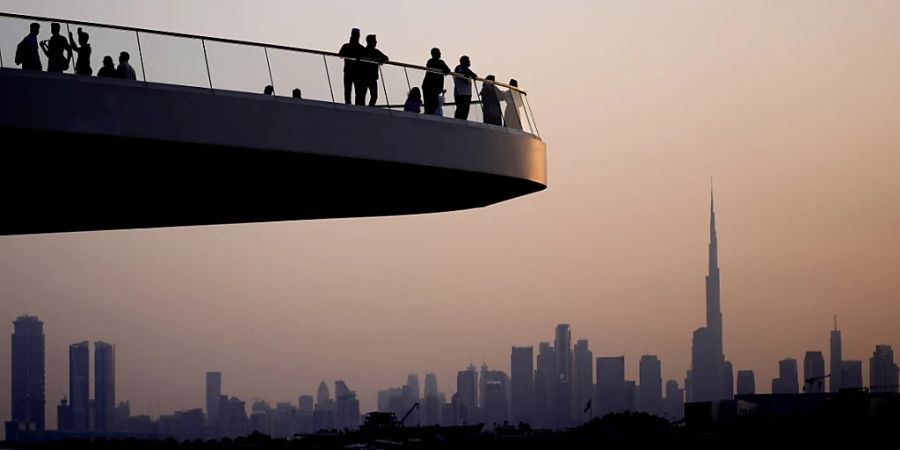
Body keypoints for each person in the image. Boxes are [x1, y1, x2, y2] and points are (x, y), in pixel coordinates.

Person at [357, 34, 388, 106]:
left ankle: (365, 108)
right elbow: (386, 58)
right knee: (372, 95)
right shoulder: (373, 52)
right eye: (375, 41)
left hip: (366, 76)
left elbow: (386, 58)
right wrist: (380, 60)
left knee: (363, 95)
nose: (376, 42)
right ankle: (368, 108)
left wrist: (380, 60)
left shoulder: (364, 51)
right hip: (369, 77)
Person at [338, 28, 364, 104]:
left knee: (354, 90)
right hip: (352, 71)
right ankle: (352, 104)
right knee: (350, 90)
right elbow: (340, 54)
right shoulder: (360, 48)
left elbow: (340, 54)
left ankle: (351, 104)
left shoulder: (348, 46)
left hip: (354, 71)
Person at [422, 48, 451, 115]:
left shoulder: (430, 61)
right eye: (439, 52)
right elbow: (447, 70)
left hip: (427, 85)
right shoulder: (439, 62)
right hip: (432, 87)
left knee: (428, 104)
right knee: (433, 104)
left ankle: (428, 115)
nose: (440, 54)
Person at [453, 55, 477, 120]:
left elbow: (473, 75)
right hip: (460, 93)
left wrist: (472, 75)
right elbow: (463, 75)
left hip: (467, 93)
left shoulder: (467, 69)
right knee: (460, 109)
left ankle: (463, 121)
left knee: (465, 110)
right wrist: (468, 75)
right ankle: (457, 122)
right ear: (464, 62)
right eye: (468, 61)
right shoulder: (459, 68)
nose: (470, 62)